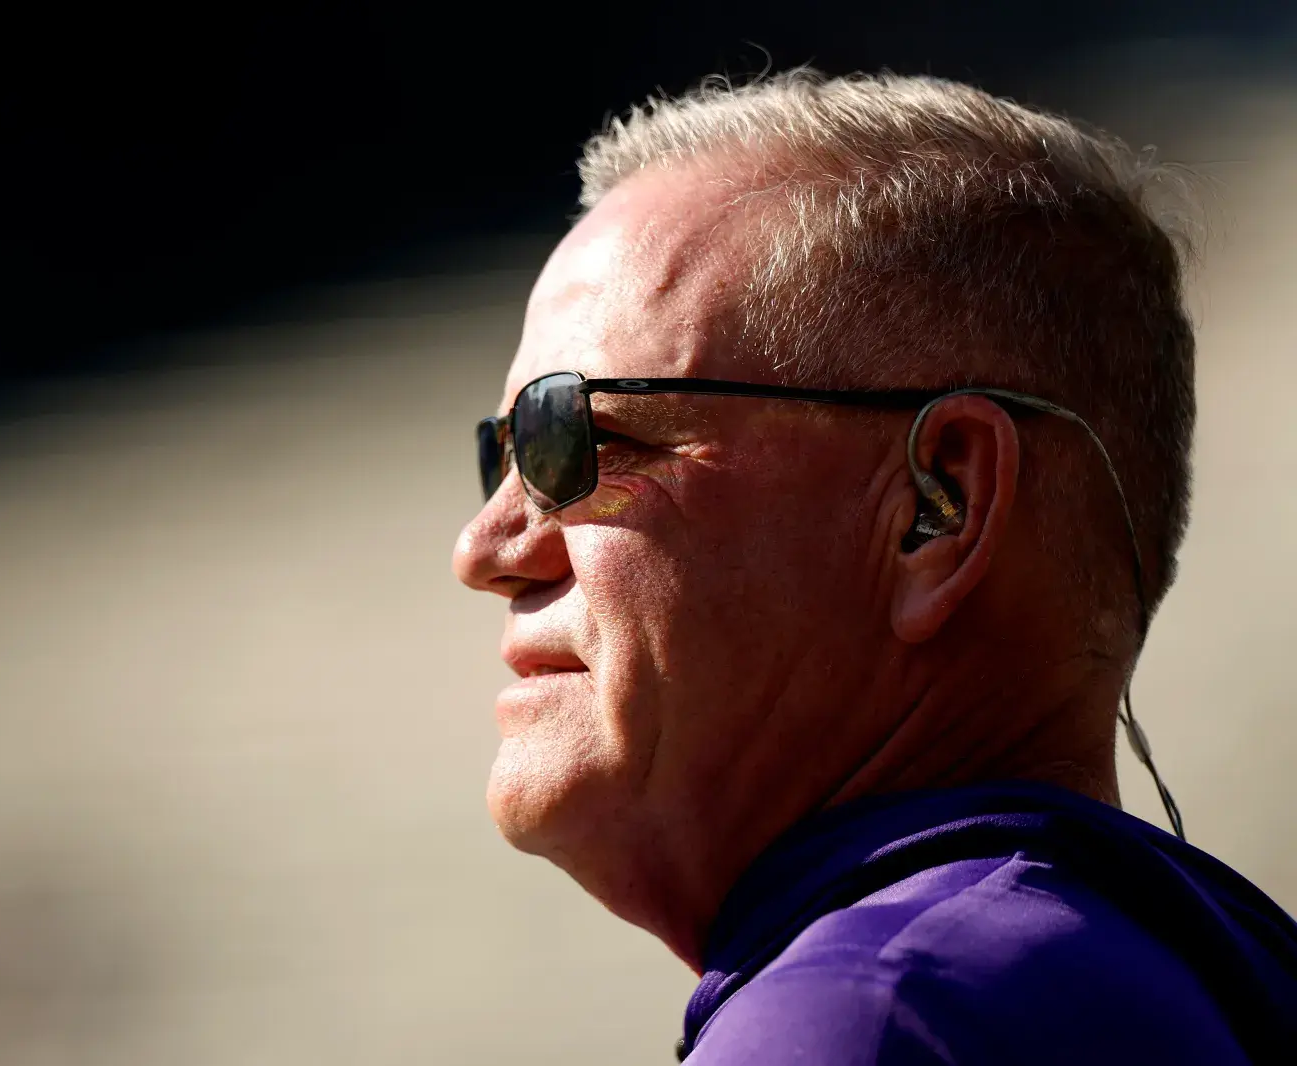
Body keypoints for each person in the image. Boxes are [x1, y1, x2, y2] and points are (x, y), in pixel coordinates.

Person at [452, 70, 1297, 1064]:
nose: (484, 550)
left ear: (934, 506)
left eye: (573, 441)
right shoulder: (1190, 971)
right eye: (498, 455)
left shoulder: (871, 1016)